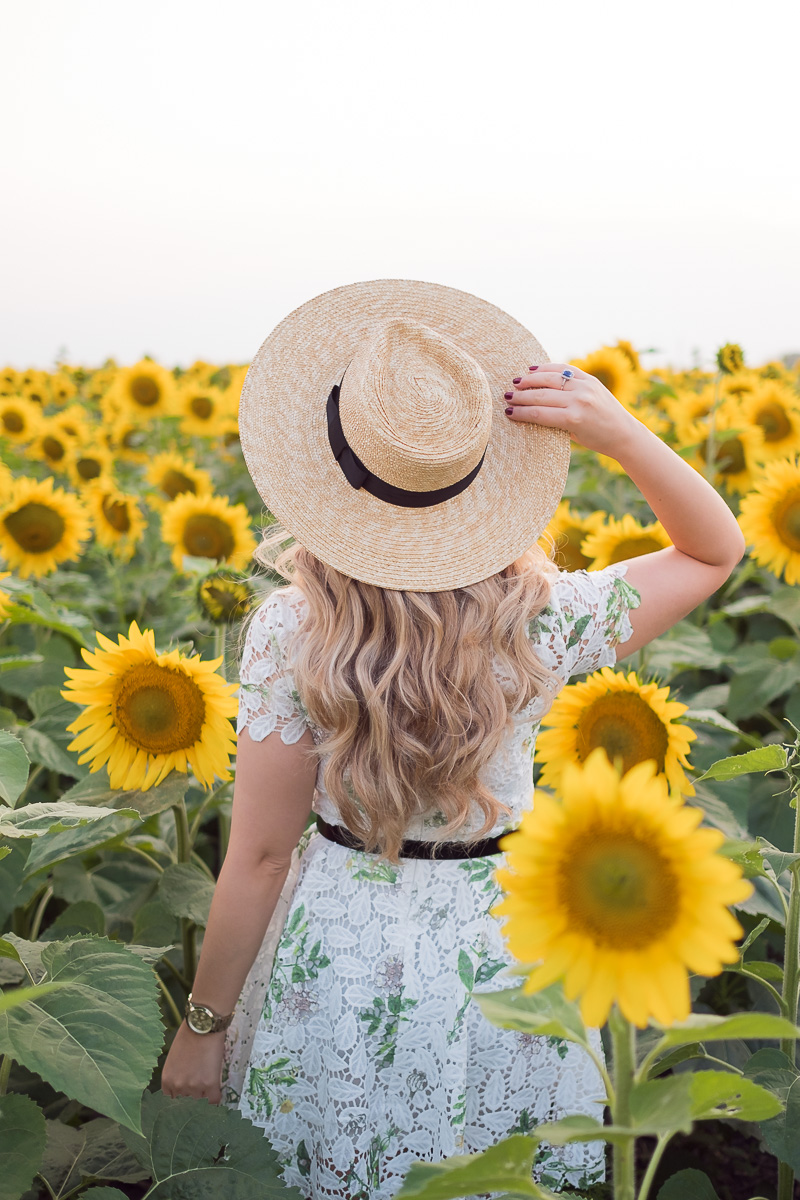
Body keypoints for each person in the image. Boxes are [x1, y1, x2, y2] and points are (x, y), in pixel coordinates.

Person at [160, 280, 745, 1196]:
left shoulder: (291, 630)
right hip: (509, 951)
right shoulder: (543, 621)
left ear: (324, 467)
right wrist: (622, 434)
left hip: (342, 954)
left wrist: (203, 1027)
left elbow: (262, 856)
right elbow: (714, 549)